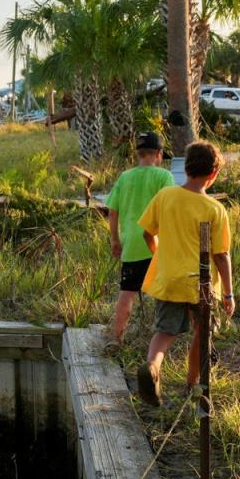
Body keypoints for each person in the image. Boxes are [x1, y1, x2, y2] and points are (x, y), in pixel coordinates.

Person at [136, 141, 235, 406]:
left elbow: (147, 233)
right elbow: (221, 255)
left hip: (169, 279)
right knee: (202, 333)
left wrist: (160, 253)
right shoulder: (215, 209)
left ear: (186, 168)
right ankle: (193, 385)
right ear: (213, 174)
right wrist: (228, 292)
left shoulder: (165, 196)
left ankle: (153, 367)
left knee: (165, 333)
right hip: (201, 284)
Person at [104, 132, 176, 354]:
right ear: (159, 154)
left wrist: (115, 239)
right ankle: (163, 337)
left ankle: (116, 339)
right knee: (164, 293)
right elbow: (169, 210)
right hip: (155, 244)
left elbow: (112, 211)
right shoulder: (164, 176)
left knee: (126, 294)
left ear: (138, 153)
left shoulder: (125, 177)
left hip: (131, 245)